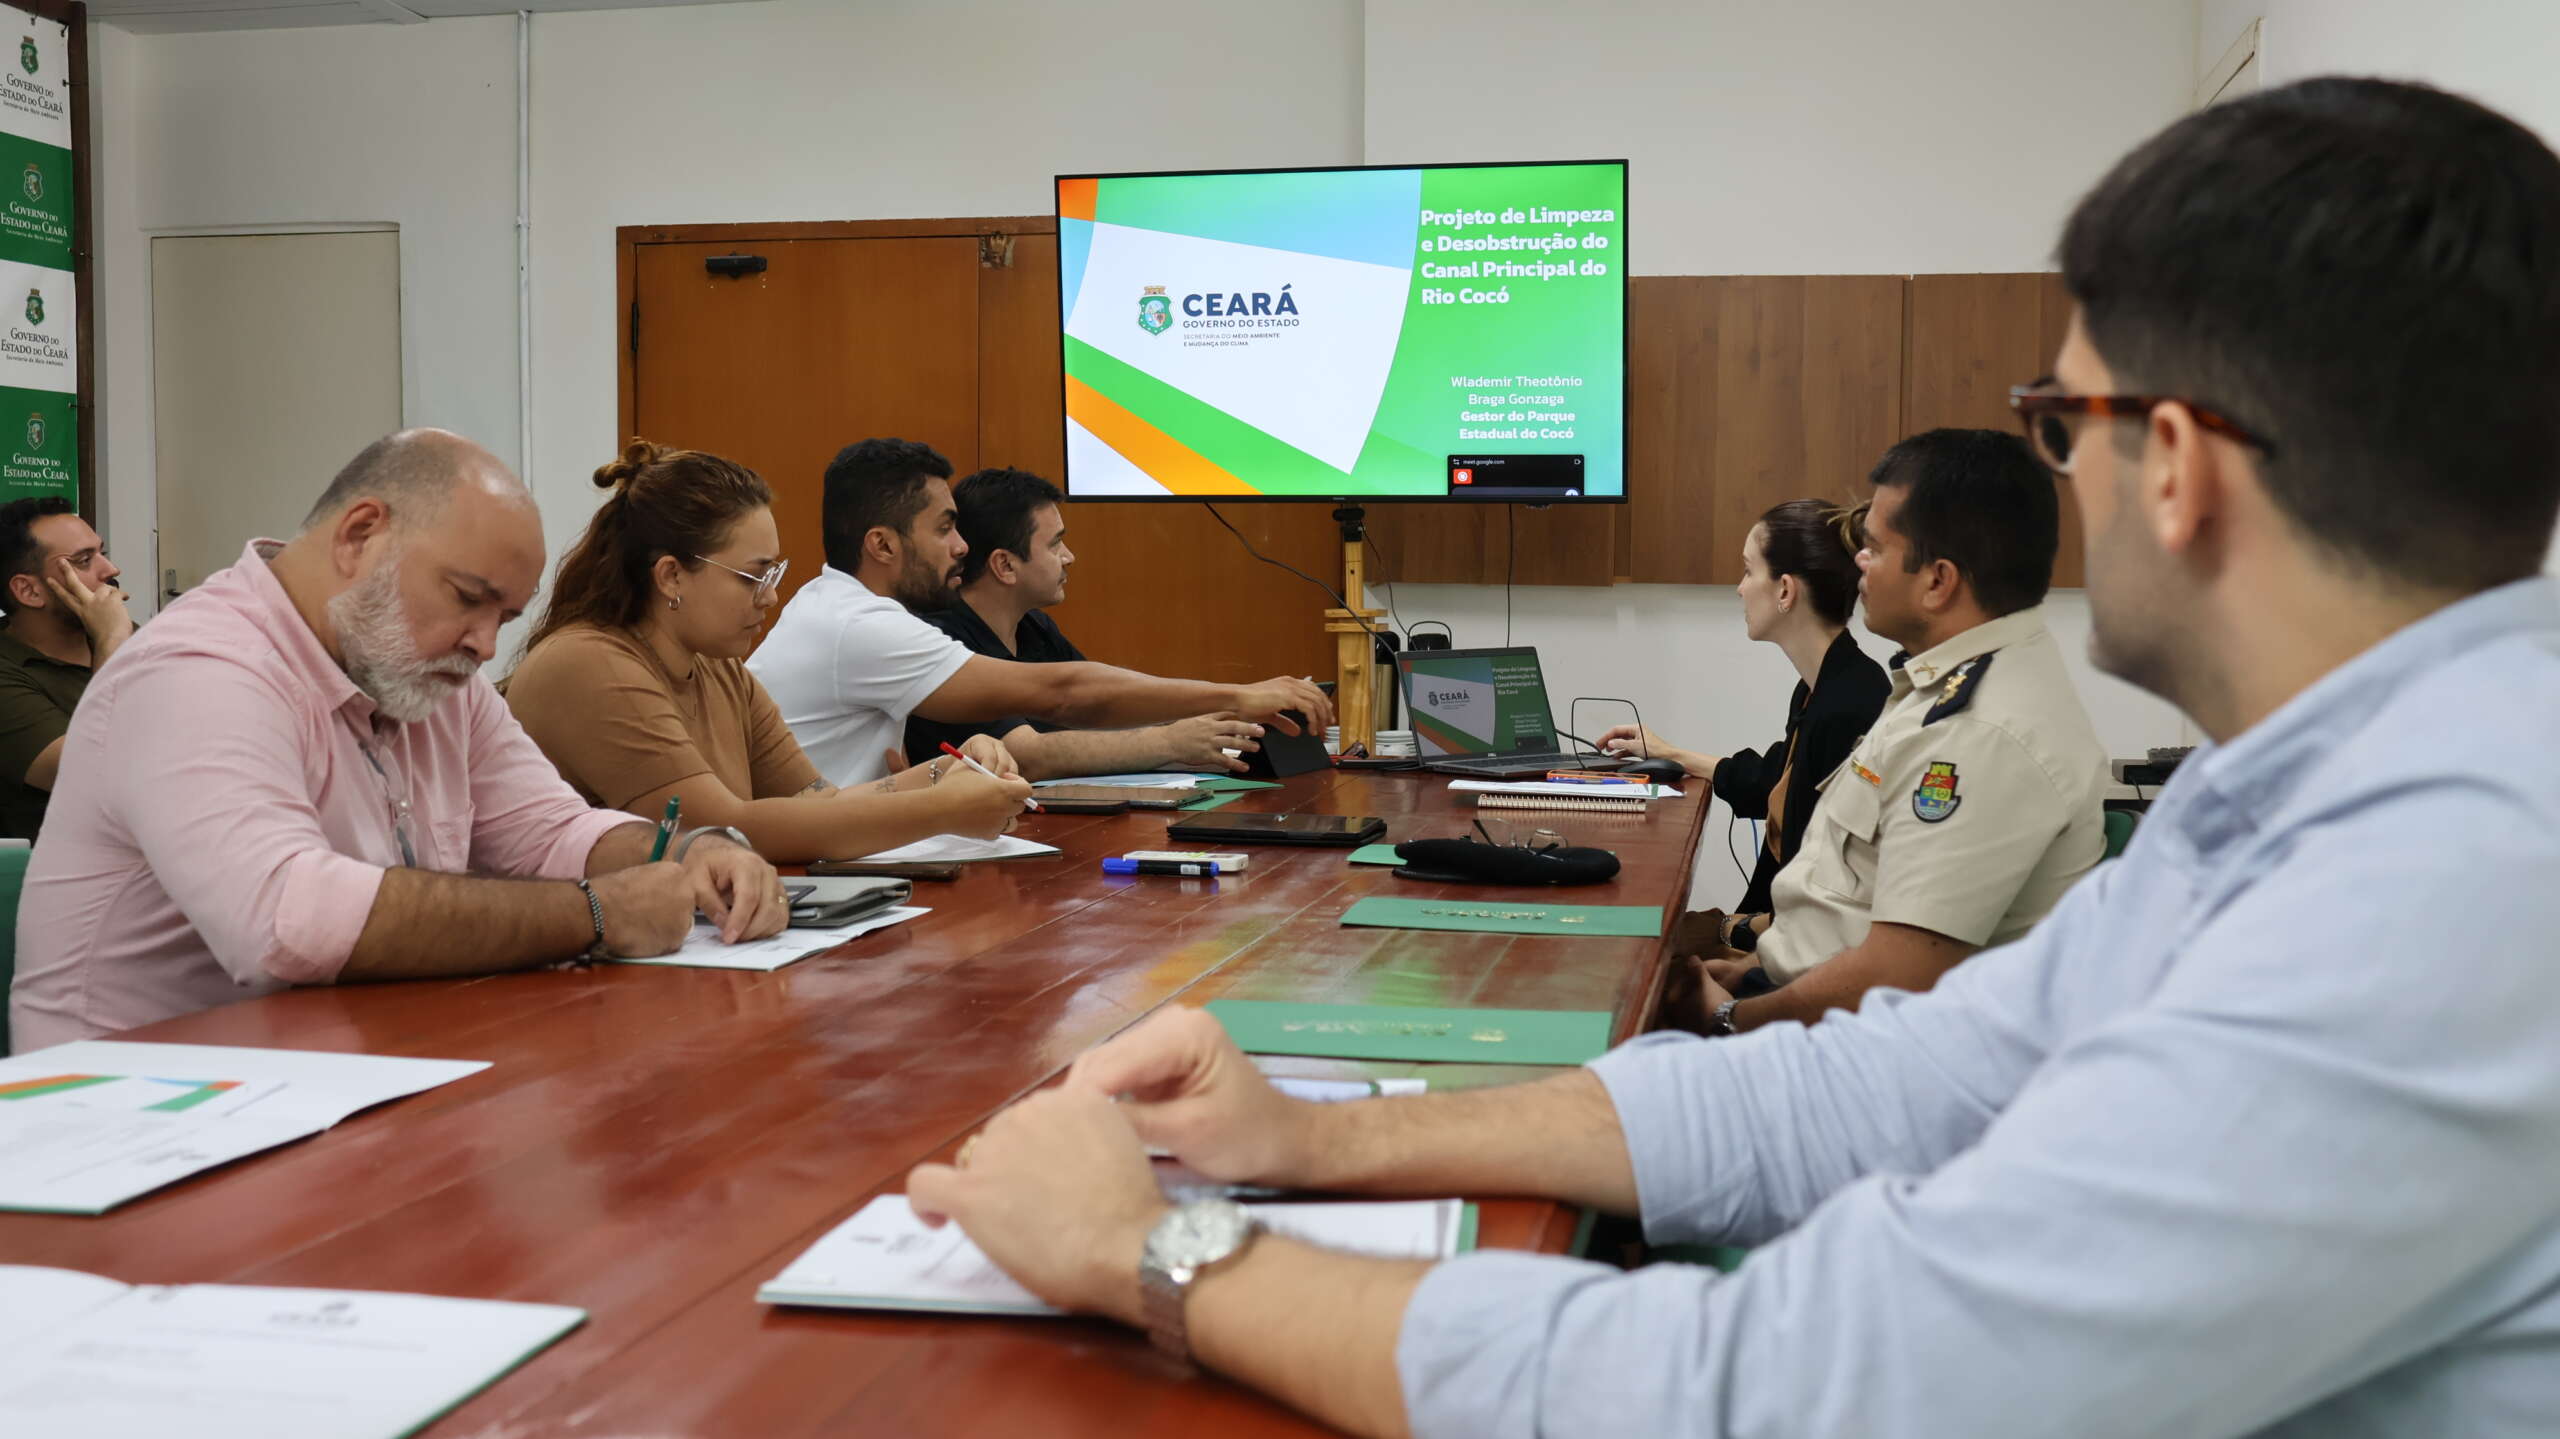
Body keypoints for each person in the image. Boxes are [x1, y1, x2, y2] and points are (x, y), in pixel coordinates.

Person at [900, 77, 2560, 1437]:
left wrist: (1152, 1244)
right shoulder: (2325, 791)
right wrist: (1314, 1141)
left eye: (2069, 425)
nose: (2067, 478)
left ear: (2179, 462)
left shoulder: (2463, 871)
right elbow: (1902, 1076)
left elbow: (1780, 1392)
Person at [9, 429, 789, 1053]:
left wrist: (687, 853)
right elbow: (287, 920)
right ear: (359, 536)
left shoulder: (421, 666)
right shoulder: (199, 670)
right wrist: (593, 912)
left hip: (331, 1072)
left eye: (504, 619)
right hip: (135, 1124)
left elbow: (550, 826)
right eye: (469, 600)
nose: (485, 645)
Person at [1671, 429, 2109, 1034]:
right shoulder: (1936, 685)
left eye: (1874, 547)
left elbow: (1895, 975)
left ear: (1938, 581)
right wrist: (1748, 975)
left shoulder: (1982, 733)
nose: (1857, 561)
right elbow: (1842, 911)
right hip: (1791, 994)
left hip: (1845, 1047)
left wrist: (1729, 1016)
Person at [506, 441, 1033, 863]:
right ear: (671, 575)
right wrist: (942, 809)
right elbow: (723, 829)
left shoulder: (718, 667)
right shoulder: (591, 664)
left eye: (773, 574)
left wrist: (951, 773)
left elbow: (819, 804)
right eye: (754, 576)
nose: (771, 596)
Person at [747, 438, 1334, 786]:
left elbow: (1079, 696)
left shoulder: (841, 607)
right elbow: (1066, 693)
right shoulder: (861, 625)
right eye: (945, 528)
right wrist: (1232, 696)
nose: (961, 547)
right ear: (882, 545)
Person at [1597, 498, 1888, 945]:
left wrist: (1727, 931)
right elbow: (1770, 781)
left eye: (1749, 571)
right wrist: (1668, 752)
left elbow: (1828, 905)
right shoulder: (1827, 684)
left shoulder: (1849, 707)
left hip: (1789, 950)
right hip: (1774, 931)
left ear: (1785, 591)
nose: (1739, 588)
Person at [903, 467, 1270, 780]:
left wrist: (1217, 720)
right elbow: (1027, 755)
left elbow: (1101, 707)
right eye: (1055, 544)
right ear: (1005, 566)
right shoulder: (940, 638)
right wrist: (1169, 741)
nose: (1069, 557)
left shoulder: (1035, 628)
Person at [0, 497, 132, 841]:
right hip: (68, 884)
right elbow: (101, 775)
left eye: (102, 552)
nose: (111, 569)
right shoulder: (7, 671)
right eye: (85, 561)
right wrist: (112, 640)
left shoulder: (133, 638)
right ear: (29, 590)